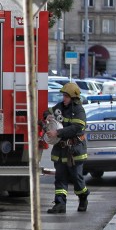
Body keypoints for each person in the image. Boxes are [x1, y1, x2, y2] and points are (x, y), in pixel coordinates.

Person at [43, 82, 89, 214]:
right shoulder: (60, 107)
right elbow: (48, 111)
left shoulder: (79, 110)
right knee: (60, 177)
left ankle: (83, 197)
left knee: (76, 178)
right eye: (63, 96)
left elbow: (76, 128)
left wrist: (57, 133)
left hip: (74, 150)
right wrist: (47, 116)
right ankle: (60, 204)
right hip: (60, 149)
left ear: (73, 97)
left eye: (66, 96)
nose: (64, 99)